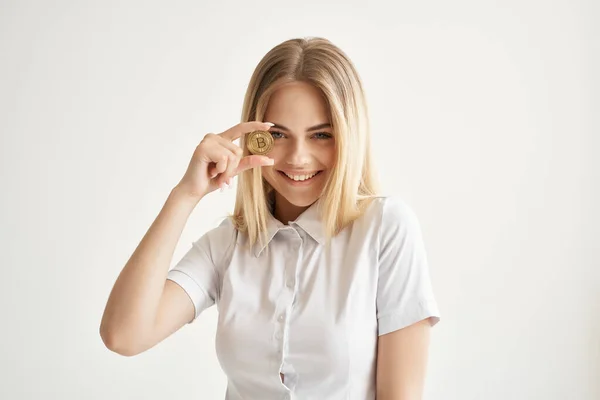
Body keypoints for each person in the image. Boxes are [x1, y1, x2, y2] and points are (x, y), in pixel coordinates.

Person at [100, 36, 441, 399]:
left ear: (348, 136)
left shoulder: (386, 228)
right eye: (278, 134)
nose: (298, 158)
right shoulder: (229, 243)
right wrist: (185, 195)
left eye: (321, 135)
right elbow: (124, 335)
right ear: (253, 137)